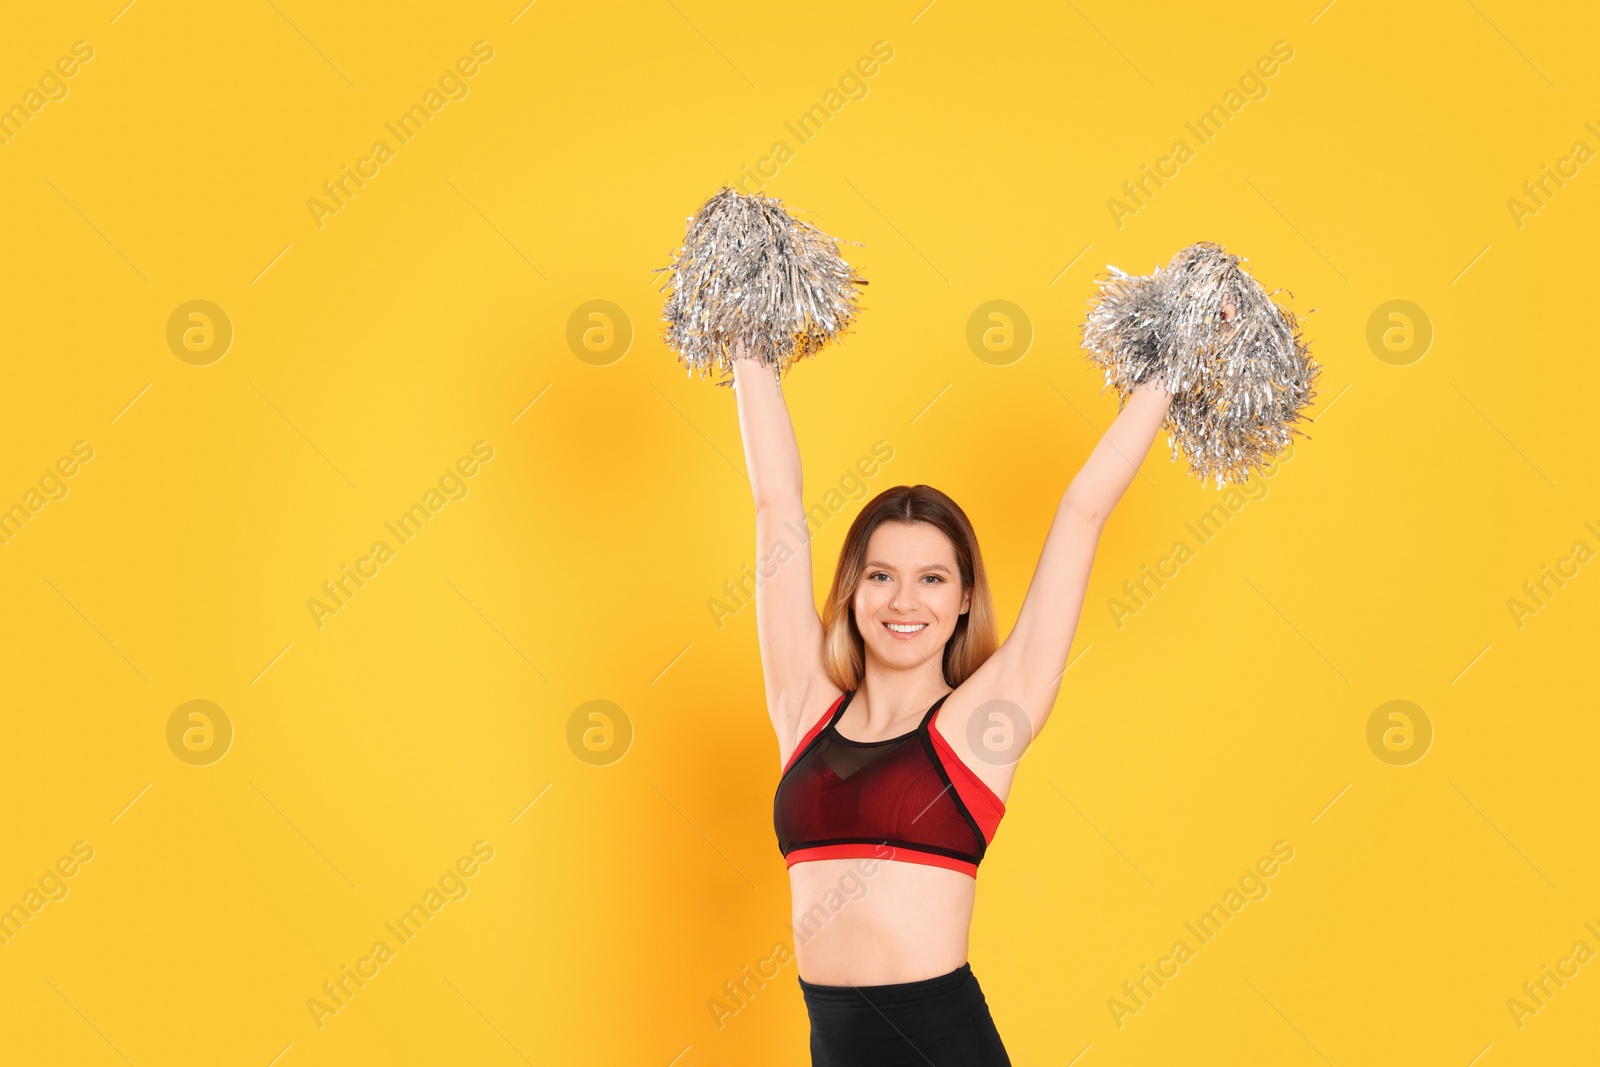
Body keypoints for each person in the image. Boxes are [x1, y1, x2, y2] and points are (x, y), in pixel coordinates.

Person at [730, 305, 1232, 1064]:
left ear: (964, 597)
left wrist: (1175, 357)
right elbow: (776, 505)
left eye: (932, 578)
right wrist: (744, 326)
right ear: (852, 591)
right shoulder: (803, 707)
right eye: (881, 576)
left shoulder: (983, 724)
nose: (905, 602)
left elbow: (1082, 510)